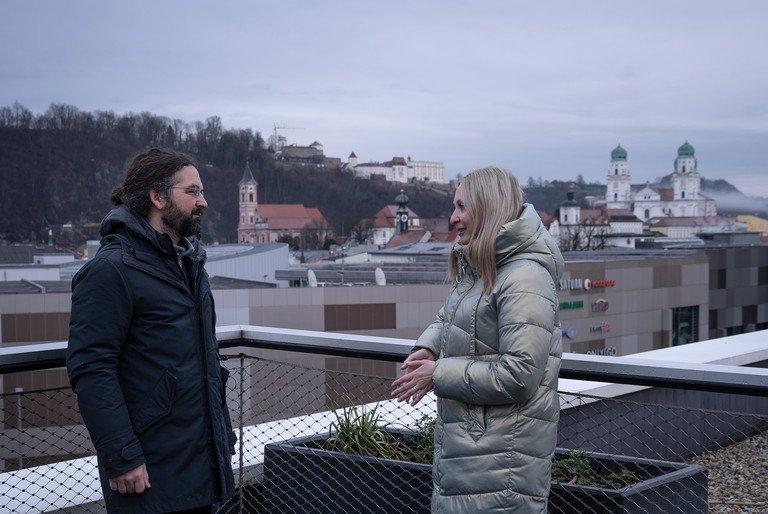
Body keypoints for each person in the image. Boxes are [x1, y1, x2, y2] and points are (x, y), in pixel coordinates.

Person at [67, 148, 236, 513]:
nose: (203, 201)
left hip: (200, 464)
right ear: (157, 197)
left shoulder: (188, 263)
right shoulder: (111, 270)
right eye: (192, 191)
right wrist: (122, 457)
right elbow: (92, 370)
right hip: (148, 472)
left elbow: (205, 361)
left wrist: (222, 437)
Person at [392, 166, 564, 513]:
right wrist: (428, 346)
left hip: (503, 464)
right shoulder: (484, 266)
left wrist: (436, 373)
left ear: (488, 207)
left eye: (462, 207)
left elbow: (519, 374)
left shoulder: (524, 277)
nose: (453, 218)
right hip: (475, 454)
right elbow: (452, 317)